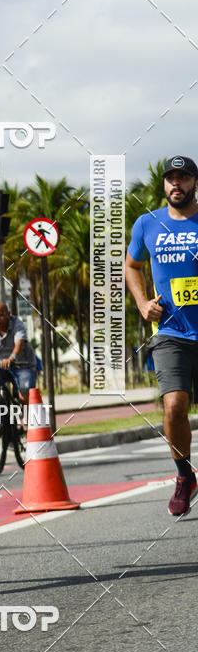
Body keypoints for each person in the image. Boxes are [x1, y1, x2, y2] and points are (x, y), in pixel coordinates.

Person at [126, 155, 198, 516]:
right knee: (173, 406)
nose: (176, 184)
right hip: (171, 332)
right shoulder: (147, 224)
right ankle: (185, 475)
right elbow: (132, 265)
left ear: (194, 184)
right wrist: (141, 303)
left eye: (183, 178)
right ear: (163, 185)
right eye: (171, 178)